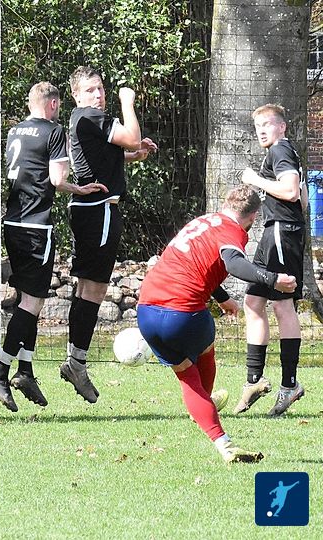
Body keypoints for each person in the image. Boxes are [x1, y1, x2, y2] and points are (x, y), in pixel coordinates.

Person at [137, 185, 295, 463]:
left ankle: (218, 434)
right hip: (183, 313)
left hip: (146, 311)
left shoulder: (202, 221)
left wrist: (222, 298)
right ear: (253, 217)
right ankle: (210, 413)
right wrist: (274, 280)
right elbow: (234, 264)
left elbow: (192, 264)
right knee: (205, 347)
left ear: (225, 205)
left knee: (187, 376)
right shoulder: (233, 231)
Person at [0, 82, 108, 412]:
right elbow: (56, 179)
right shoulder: (53, 131)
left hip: (12, 222)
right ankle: (0, 371)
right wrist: (79, 189)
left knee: (28, 298)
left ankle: (25, 371)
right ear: (53, 104)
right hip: (36, 226)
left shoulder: (15, 131)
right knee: (32, 303)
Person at [62, 66, 157, 403]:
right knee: (94, 288)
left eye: (101, 89)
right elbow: (129, 135)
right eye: (90, 90)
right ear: (76, 95)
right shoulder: (90, 115)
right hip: (99, 209)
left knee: (86, 286)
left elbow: (106, 154)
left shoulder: (82, 119)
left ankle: (74, 360)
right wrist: (127, 101)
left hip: (90, 209)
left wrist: (133, 155)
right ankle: (76, 362)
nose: (98, 95)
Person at [235, 104, 307, 416]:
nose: (262, 130)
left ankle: (289, 384)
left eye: (267, 124)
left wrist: (255, 179)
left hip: (281, 232)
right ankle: (254, 380)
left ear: (282, 127)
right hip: (274, 232)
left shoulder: (280, 150)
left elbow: (291, 192)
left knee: (282, 305)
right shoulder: (281, 153)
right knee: (253, 302)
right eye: (258, 126)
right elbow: (303, 199)